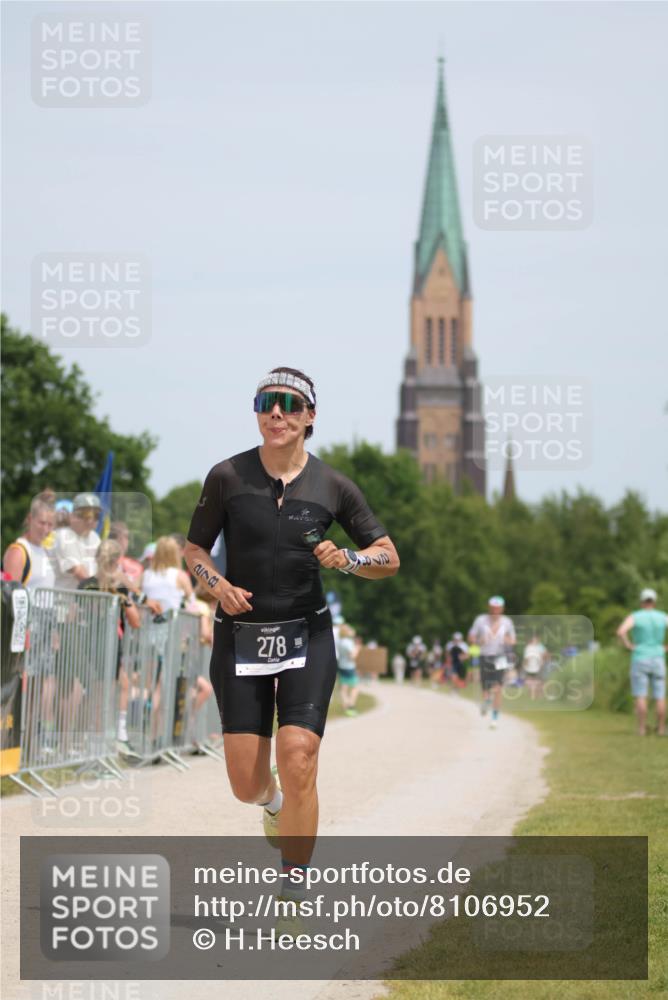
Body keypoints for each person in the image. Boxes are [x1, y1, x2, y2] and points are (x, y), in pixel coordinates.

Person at [184, 366, 399, 917]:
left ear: (309, 418)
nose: (274, 413)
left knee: (299, 755)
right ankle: (272, 804)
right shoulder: (227, 476)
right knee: (244, 781)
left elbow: (388, 557)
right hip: (240, 636)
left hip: (307, 634)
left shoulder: (333, 486)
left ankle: (294, 885)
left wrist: (348, 559)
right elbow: (194, 553)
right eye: (265, 402)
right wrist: (218, 586)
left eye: (287, 404)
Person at [78, 540, 143, 759]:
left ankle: (105, 738)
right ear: (117, 561)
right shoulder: (117, 587)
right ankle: (100, 743)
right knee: (101, 692)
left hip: (87, 642)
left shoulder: (86, 584)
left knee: (108, 689)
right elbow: (136, 621)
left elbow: (71, 614)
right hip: (106, 642)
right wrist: (125, 599)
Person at [617, 588, 666, 736]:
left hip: (640, 657)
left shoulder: (636, 616)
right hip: (658, 657)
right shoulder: (662, 616)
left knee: (640, 695)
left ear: (642, 601)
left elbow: (620, 631)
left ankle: (642, 729)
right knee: (660, 696)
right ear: (654, 601)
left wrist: (628, 644)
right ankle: (661, 729)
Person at [468, 596, 516, 729]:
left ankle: (494, 718)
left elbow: (513, 641)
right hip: (485, 656)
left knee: (498, 688)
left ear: (502, 609)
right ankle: (486, 701)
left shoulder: (507, 622)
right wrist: (479, 641)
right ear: (489, 608)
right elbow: (471, 637)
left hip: (500, 657)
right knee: (485, 688)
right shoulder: (480, 620)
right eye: (493, 608)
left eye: (498, 609)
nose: (495, 611)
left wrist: (506, 639)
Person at [52, 493, 101, 589]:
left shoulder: (94, 537)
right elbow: (80, 574)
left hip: (84, 601)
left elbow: (105, 568)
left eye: (96, 515)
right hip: (61, 602)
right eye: (86, 514)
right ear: (73, 516)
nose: (90, 520)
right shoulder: (63, 536)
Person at [336, 623, 360, 716]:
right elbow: (352, 656)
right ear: (346, 632)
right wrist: (357, 649)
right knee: (355, 687)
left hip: (341, 666)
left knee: (343, 689)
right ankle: (351, 706)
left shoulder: (340, 641)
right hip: (349, 667)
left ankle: (346, 706)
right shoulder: (348, 642)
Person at [522, 633, 548, 699]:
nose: (535, 641)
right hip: (531, 666)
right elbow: (526, 657)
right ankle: (533, 694)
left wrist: (543, 661)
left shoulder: (540, 646)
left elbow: (545, 654)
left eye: (536, 640)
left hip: (539, 665)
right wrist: (525, 665)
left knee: (539, 680)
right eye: (533, 640)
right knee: (531, 680)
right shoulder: (529, 647)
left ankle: (539, 694)